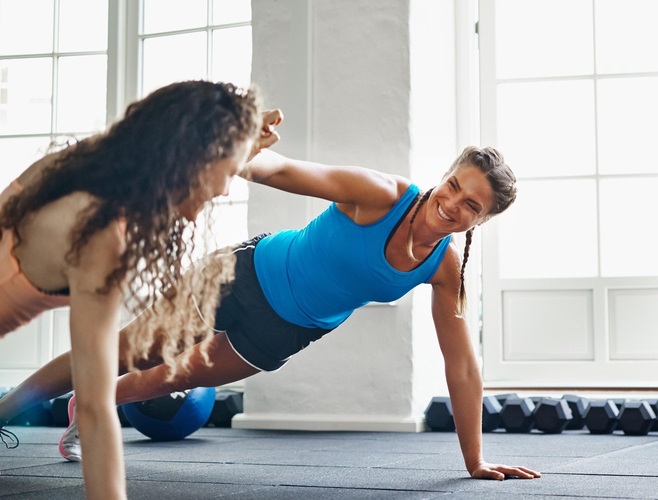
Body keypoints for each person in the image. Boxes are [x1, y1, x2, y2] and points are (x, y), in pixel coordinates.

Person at [0, 143, 541, 481]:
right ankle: (4, 410)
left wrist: (474, 461)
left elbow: (462, 366)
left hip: (286, 331)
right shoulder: (383, 194)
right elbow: (285, 171)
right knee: (120, 350)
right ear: (444, 176)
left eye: (472, 205)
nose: (453, 204)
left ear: (482, 219)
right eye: (454, 186)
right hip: (245, 273)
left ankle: (83, 411)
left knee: (159, 382)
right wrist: (241, 152)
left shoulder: (444, 268)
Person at [0, 80, 282, 499]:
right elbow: (94, 411)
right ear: (189, 159)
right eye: (227, 172)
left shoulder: (91, 166)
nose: (225, 188)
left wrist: (240, 135)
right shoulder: (100, 236)